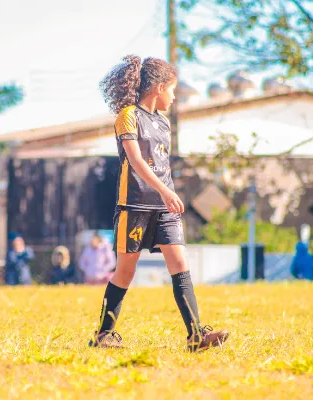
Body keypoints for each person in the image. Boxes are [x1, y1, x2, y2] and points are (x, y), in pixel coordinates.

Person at [89, 55, 229, 352]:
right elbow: (136, 160)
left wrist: (168, 194)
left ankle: (195, 336)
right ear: (160, 87)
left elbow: (161, 164)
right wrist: (165, 190)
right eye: (173, 90)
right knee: (125, 272)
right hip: (134, 206)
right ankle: (103, 335)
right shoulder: (128, 115)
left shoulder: (163, 123)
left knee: (180, 264)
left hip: (165, 209)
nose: (175, 97)